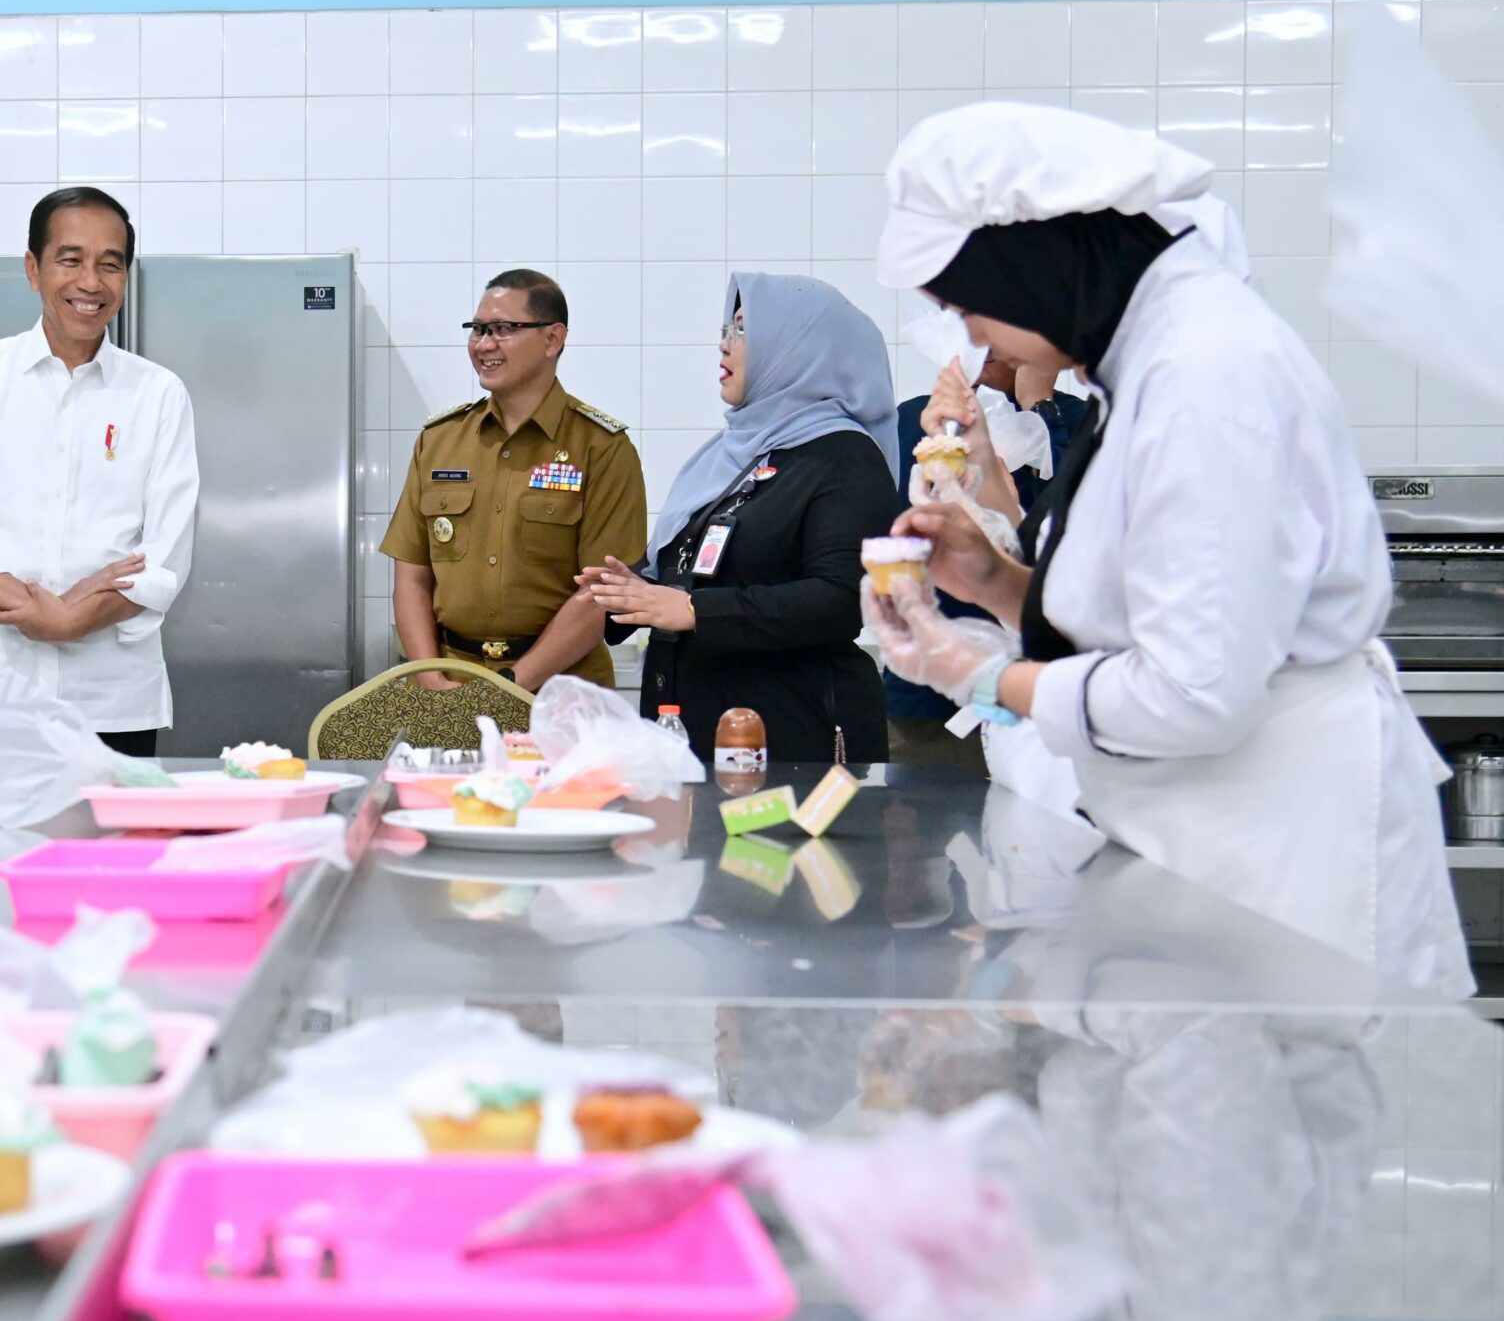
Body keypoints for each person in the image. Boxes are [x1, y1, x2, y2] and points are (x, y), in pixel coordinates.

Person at [865, 100, 1472, 998]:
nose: (970, 337)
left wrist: (982, 676)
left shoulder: (1205, 378)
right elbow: (1146, 604)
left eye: (965, 303)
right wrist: (998, 581)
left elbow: (1191, 691)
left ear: (1032, 263)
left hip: (1280, 849)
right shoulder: (1152, 363)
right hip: (1218, 830)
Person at [0, 187, 197, 756]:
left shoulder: (158, 394)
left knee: (111, 847)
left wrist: (68, 623)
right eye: (70, 259)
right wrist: (54, 611)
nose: (90, 281)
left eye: (109, 264)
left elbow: (164, 559)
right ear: (33, 269)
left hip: (115, 702)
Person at [583, 273, 899, 762]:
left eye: (743, 330)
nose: (724, 346)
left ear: (799, 347)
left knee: (774, 845)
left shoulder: (844, 458)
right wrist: (635, 591)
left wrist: (693, 610)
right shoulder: (732, 456)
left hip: (793, 737)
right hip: (694, 729)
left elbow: (843, 599)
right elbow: (706, 570)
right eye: (726, 330)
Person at [385, 270, 646, 695]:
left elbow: (601, 591)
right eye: (478, 329)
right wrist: (428, 677)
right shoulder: (440, 441)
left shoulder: (601, 448)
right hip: (450, 683)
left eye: (504, 329)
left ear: (553, 339)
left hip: (563, 690)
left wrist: (509, 685)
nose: (484, 344)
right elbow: (412, 575)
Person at [882, 354, 1078, 769]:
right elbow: (905, 525)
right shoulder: (916, 419)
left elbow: (1068, 533)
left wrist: (1039, 407)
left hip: (1040, 688)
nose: (987, 345)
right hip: (924, 696)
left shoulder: (1076, 420)